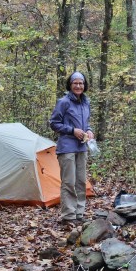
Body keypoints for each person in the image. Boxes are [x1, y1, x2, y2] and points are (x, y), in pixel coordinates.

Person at [50, 72, 93, 225]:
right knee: (69, 182)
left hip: (82, 147)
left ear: (85, 85)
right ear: (70, 85)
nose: (78, 86)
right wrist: (72, 130)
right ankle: (69, 215)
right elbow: (54, 123)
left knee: (81, 181)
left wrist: (89, 130)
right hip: (67, 147)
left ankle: (79, 213)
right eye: (75, 83)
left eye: (81, 83)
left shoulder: (86, 102)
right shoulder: (63, 102)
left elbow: (86, 123)